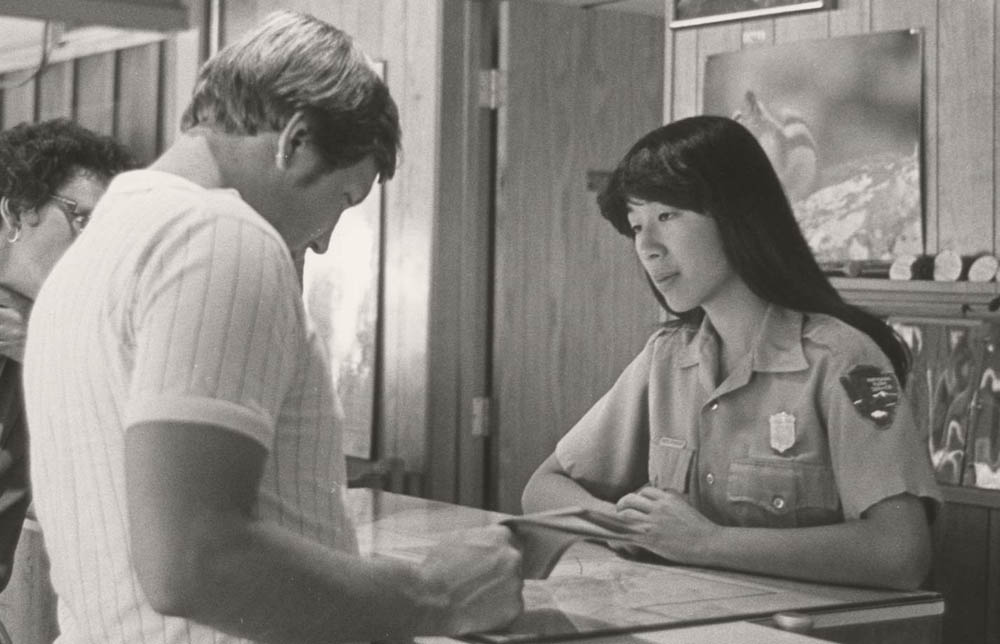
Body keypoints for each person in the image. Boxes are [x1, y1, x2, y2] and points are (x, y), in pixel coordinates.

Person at [22, 11, 522, 644]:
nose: (322, 243)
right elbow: (194, 561)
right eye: (343, 200)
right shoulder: (217, 235)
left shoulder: (88, 258)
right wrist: (435, 597)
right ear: (295, 138)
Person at [521, 115, 941, 591]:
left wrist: (706, 542)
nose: (648, 247)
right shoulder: (666, 359)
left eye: (668, 216)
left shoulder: (851, 361)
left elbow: (902, 552)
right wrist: (624, 524)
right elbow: (542, 489)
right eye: (637, 226)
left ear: (737, 215)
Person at [0, 118, 134, 592]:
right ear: (16, 213)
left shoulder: (49, 328)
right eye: (82, 219)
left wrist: (44, 346)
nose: (96, 247)